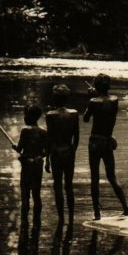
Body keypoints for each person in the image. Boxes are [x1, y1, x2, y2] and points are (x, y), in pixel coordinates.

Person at [83, 74, 128, 220]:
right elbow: (107, 108)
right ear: (108, 86)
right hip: (107, 141)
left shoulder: (93, 101)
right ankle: (126, 208)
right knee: (112, 176)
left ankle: (97, 214)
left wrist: (91, 98)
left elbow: (86, 119)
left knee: (94, 177)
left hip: (95, 142)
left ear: (96, 86)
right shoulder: (115, 100)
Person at [45, 84, 79, 223]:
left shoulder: (50, 115)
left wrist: (47, 158)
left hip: (56, 152)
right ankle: (71, 217)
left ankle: (61, 218)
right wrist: (73, 151)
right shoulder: (74, 113)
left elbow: (49, 138)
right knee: (69, 185)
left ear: (55, 99)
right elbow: (76, 137)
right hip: (69, 151)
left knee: (57, 185)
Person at [12, 105, 48, 221]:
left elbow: (19, 149)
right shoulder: (43, 131)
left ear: (31, 116)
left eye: (26, 115)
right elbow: (47, 150)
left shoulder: (25, 130)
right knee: (36, 194)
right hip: (38, 165)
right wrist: (38, 157)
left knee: (25, 194)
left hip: (27, 165)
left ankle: (24, 220)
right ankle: (37, 220)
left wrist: (14, 147)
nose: (24, 117)